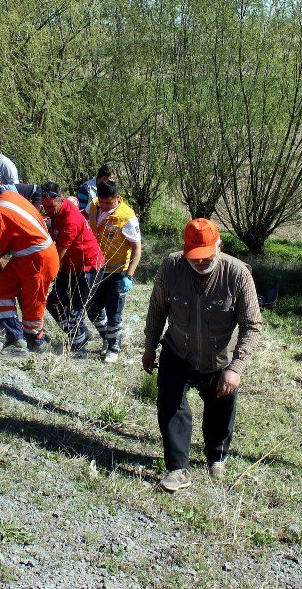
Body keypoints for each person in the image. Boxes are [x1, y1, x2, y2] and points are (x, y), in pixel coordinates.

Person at [142, 218, 263, 492]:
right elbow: (157, 309)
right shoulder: (171, 267)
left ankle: (216, 456)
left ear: (219, 245)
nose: (199, 262)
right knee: (171, 405)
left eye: (206, 256)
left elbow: (252, 325)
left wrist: (236, 368)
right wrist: (150, 345)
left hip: (219, 358)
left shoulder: (238, 274)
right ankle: (177, 469)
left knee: (220, 410)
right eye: (194, 257)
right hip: (177, 351)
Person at [0, 171, 60, 355]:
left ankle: (35, 341)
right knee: (0, 293)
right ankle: (17, 339)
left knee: (32, 304)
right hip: (27, 256)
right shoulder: (9, 196)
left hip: (38, 259)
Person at [41, 182, 104, 357]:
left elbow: (58, 255)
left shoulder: (70, 218)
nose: (47, 210)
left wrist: (47, 276)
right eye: (44, 206)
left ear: (61, 201)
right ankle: (80, 334)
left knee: (76, 310)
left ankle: (79, 349)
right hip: (70, 266)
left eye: (51, 206)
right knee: (54, 303)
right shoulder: (54, 211)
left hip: (88, 266)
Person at [85, 180, 141, 363]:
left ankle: (113, 347)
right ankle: (107, 337)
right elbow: (83, 220)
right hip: (95, 267)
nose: (104, 206)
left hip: (116, 271)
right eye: (101, 202)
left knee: (113, 312)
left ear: (117, 198)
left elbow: (137, 248)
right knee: (91, 308)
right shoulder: (93, 206)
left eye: (108, 203)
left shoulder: (127, 217)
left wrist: (129, 276)